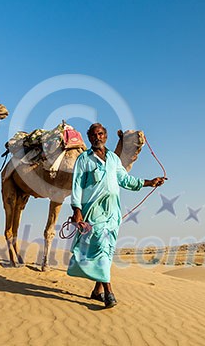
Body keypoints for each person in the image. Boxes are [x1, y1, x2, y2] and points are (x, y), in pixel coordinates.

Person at [67, 123, 165, 308]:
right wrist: (76, 210)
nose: (98, 137)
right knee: (101, 246)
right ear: (89, 138)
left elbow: (125, 180)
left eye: (101, 133)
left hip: (113, 212)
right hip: (93, 211)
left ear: (105, 136)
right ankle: (109, 293)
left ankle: (97, 291)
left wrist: (149, 182)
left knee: (107, 249)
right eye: (94, 134)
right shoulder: (84, 160)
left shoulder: (113, 158)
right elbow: (77, 186)